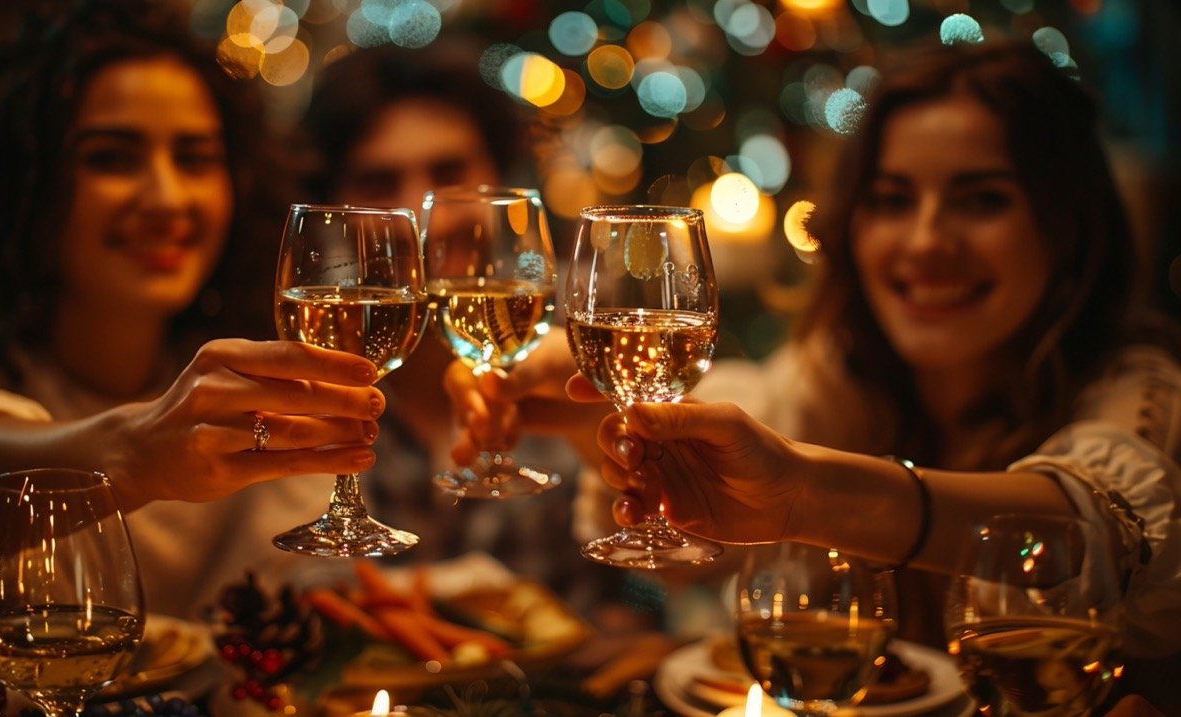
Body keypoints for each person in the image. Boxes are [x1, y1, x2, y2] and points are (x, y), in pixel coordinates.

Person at [447, 39, 1180, 710]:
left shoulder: (1147, 394)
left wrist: (804, 492)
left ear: (1068, 225)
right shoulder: (840, 376)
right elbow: (707, 520)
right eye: (892, 200)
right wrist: (588, 420)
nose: (926, 241)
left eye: (983, 199)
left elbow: (1094, 525)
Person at [0, 0, 386, 670]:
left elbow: (291, 580)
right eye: (111, 157)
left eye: (195, 158)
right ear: (28, 182)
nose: (165, 198)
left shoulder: (231, 380)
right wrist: (131, 459)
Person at [291, 41, 624, 616]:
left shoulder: (577, 341)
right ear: (333, 203)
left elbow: (657, 574)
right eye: (379, 182)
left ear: (496, 173)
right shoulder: (305, 375)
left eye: (450, 174)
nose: (427, 217)